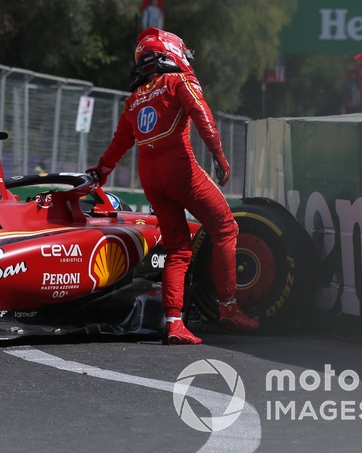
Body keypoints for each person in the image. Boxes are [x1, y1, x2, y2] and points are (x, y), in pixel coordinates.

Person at [88, 27, 259, 345]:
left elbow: (118, 145)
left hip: (149, 176)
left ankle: (174, 322)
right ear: (170, 52)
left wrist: (100, 172)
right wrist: (219, 155)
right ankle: (228, 308)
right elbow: (202, 114)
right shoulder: (178, 80)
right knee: (225, 228)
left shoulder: (133, 100)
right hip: (181, 170)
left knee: (178, 248)